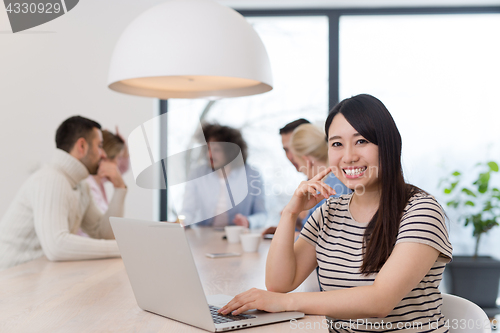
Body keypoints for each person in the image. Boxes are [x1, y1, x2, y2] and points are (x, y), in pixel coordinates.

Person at [218, 94, 452, 332]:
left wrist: (285, 303)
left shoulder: (421, 211)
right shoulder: (329, 211)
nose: (349, 156)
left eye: (361, 141)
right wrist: (290, 212)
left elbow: (380, 301)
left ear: (388, 144)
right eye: (337, 144)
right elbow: (280, 283)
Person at [0, 116, 127, 271]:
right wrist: (122, 248)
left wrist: (120, 188)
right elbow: (57, 246)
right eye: (100, 146)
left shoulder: (80, 186)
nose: (104, 154)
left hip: (34, 277)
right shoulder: (51, 179)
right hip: (11, 282)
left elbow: (102, 234)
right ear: (82, 146)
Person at [180, 123, 266, 228]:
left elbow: (262, 214)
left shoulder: (252, 175)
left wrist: (248, 221)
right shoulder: (197, 174)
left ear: (230, 151)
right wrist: (181, 222)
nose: (209, 155)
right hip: (204, 236)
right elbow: (188, 211)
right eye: (208, 149)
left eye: (216, 150)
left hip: (238, 236)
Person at [290, 123, 350, 229]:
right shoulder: (332, 181)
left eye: (298, 163)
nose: (299, 170)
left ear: (307, 161)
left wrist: (290, 215)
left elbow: (319, 240)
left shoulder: (329, 189)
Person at [86, 128, 130, 213]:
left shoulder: (99, 179)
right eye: (117, 158)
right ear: (105, 156)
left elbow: (124, 167)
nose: (118, 164)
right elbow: (105, 225)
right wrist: (120, 186)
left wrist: (124, 146)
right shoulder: (89, 185)